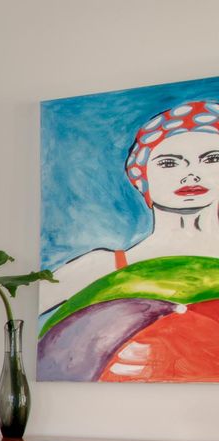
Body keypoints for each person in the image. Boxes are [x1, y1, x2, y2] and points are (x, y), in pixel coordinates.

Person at [43, 100, 219, 316]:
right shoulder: (102, 267)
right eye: (169, 163)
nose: (191, 175)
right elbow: (20, 308)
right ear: (140, 176)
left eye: (212, 159)